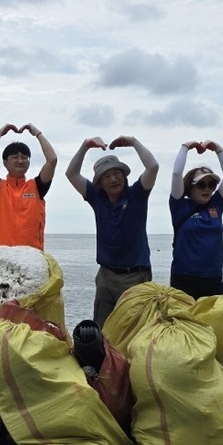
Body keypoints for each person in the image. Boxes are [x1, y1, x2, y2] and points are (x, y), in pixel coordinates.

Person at [65, 135, 159, 327]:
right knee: (101, 329)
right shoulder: (97, 198)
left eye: (117, 173)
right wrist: (85, 146)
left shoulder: (137, 195)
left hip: (135, 276)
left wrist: (133, 142)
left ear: (124, 175)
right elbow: (71, 174)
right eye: (106, 176)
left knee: (134, 330)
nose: (113, 179)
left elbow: (153, 167)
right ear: (100, 183)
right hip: (106, 276)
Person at [168, 139, 223, 298]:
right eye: (201, 185)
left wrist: (218, 149)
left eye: (211, 185)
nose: (207, 189)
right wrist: (185, 147)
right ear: (190, 187)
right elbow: (176, 174)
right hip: (183, 278)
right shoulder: (179, 206)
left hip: (214, 278)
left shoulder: (216, 205)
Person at [0, 123, 58, 249]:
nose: (20, 161)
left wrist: (37, 133)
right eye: (15, 157)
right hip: (0, 255)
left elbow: (52, 160)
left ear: (29, 162)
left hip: (31, 255)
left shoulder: (36, 187)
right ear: (5, 162)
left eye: (24, 157)